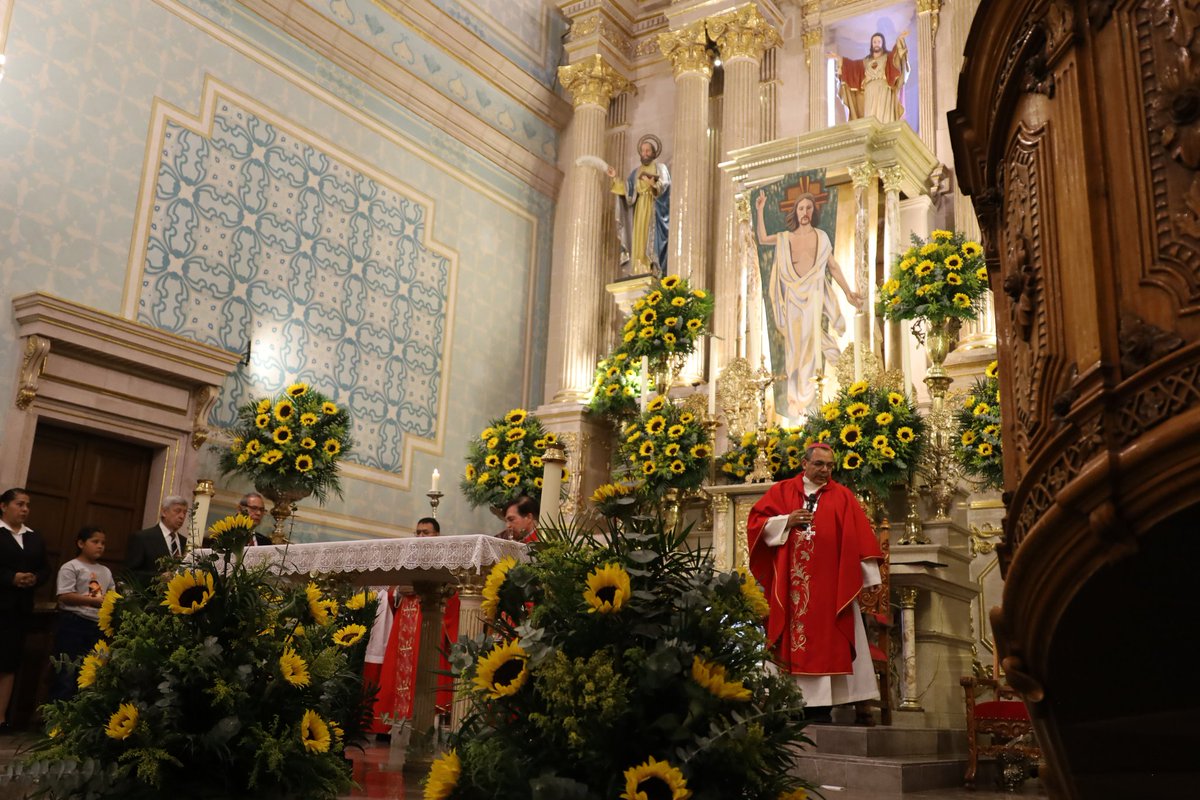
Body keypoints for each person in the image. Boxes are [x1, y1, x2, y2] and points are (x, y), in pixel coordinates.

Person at [747, 444, 883, 720]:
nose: (825, 471)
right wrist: (786, 520)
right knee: (790, 638)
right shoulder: (782, 491)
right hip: (791, 586)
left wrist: (870, 577)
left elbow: (860, 537)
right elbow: (756, 524)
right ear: (804, 463)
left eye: (830, 466)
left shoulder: (843, 496)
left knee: (829, 640)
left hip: (831, 588)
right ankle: (787, 702)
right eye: (819, 465)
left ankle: (822, 707)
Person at [755, 191, 862, 416]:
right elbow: (763, 239)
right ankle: (795, 402)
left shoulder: (821, 237)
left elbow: (832, 266)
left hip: (812, 295)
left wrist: (848, 292)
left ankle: (814, 399)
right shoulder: (786, 237)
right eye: (801, 208)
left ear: (814, 211)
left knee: (812, 344)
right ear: (796, 211)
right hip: (793, 296)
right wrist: (760, 209)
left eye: (809, 208)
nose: (805, 212)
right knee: (795, 348)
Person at [0, 488, 49, 734]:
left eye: (27, 505)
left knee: (9, 662)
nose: (25, 509)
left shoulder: (34, 537)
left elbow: (45, 568)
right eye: (20, 504)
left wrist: (34, 578)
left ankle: (0, 717)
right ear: (3, 506)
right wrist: (10, 578)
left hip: (19, 610)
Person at [51, 526, 114, 701]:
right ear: (80, 543)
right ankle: (58, 719)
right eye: (95, 542)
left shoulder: (105, 571)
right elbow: (64, 595)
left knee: (93, 671)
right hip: (74, 624)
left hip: (97, 626)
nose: (100, 546)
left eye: (103, 543)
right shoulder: (71, 567)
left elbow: (111, 594)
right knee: (68, 672)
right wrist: (94, 601)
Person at [608, 134, 671, 275]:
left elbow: (665, 185)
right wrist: (615, 178)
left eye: (648, 150)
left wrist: (653, 185)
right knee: (639, 238)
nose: (645, 153)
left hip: (653, 208)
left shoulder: (660, 168)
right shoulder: (635, 173)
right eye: (643, 151)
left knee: (651, 237)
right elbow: (626, 190)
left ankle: (650, 266)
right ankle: (638, 267)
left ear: (654, 153)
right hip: (639, 209)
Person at [829, 31, 909, 124]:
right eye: (874, 42)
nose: (876, 44)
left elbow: (896, 58)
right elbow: (851, 67)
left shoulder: (887, 58)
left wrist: (899, 41)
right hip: (870, 91)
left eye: (879, 42)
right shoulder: (865, 62)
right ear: (871, 44)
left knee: (885, 117)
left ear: (882, 43)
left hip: (884, 89)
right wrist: (838, 58)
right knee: (870, 118)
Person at [125, 495, 190, 581]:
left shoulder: (186, 542)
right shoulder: (143, 538)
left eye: (184, 513)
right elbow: (129, 574)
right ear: (164, 512)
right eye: (177, 511)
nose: (182, 516)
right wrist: (159, 577)